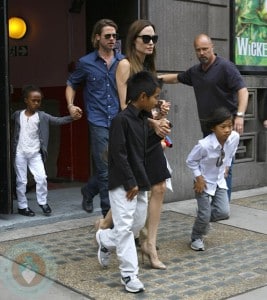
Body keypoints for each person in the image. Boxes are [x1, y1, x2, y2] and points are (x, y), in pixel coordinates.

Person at [95, 19, 171, 269]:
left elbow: (147, 104)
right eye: (146, 39)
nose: (151, 43)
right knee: (140, 186)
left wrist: (159, 110)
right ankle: (106, 228)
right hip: (133, 136)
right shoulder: (125, 65)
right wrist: (153, 124)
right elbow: (126, 109)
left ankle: (148, 242)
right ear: (133, 41)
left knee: (158, 187)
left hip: (148, 134)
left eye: (154, 39)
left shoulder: (149, 67)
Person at [159, 33, 248, 200]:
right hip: (208, 129)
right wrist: (156, 79)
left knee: (223, 167)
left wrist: (240, 116)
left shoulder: (225, 67)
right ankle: (213, 202)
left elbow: (242, 90)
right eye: (198, 50)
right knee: (208, 167)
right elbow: (177, 78)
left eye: (205, 49)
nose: (202, 53)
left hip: (225, 128)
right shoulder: (196, 72)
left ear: (212, 47)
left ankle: (222, 205)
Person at [96, 71, 162, 293]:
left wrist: (159, 135)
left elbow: (141, 150)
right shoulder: (120, 120)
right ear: (142, 97)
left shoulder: (143, 120)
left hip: (139, 182)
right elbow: (118, 153)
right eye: (154, 97)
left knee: (134, 226)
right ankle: (129, 275)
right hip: (124, 184)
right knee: (125, 229)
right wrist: (130, 181)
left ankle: (104, 239)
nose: (156, 101)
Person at [65, 19, 124, 217]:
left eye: (114, 36)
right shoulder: (86, 63)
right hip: (98, 121)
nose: (112, 39)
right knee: (105, 169)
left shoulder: (123, 62)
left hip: (119, 120)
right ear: (97, 37)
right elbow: (72, 84)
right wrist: (71, 105)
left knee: (118, 166)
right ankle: (108, 216)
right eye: (107, 36)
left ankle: (89, 190)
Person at [12, 85, 76, 217]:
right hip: (20, 153)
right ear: (26, 100)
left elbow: (57, 121)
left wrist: (72, 117)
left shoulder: (42, 116)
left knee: (41, 178)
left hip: (35, 153)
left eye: (39, 101)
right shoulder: (17, 115)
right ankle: (22, 206)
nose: (36, 103)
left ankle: (43, 202)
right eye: (33, 100)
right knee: (21, 181)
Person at [186, 107, 240, 251]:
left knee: (223, 212)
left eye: (230, 126)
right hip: (203, 182)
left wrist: (227, 165)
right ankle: (196, 237)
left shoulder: (234, 137)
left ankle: (203, 219)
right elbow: (190, 161)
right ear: (213, 128)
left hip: (219, 180)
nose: (227, 130)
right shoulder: (204, 145)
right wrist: (198, 178)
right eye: (223, 127)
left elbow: (232, 151)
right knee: (204, 215)